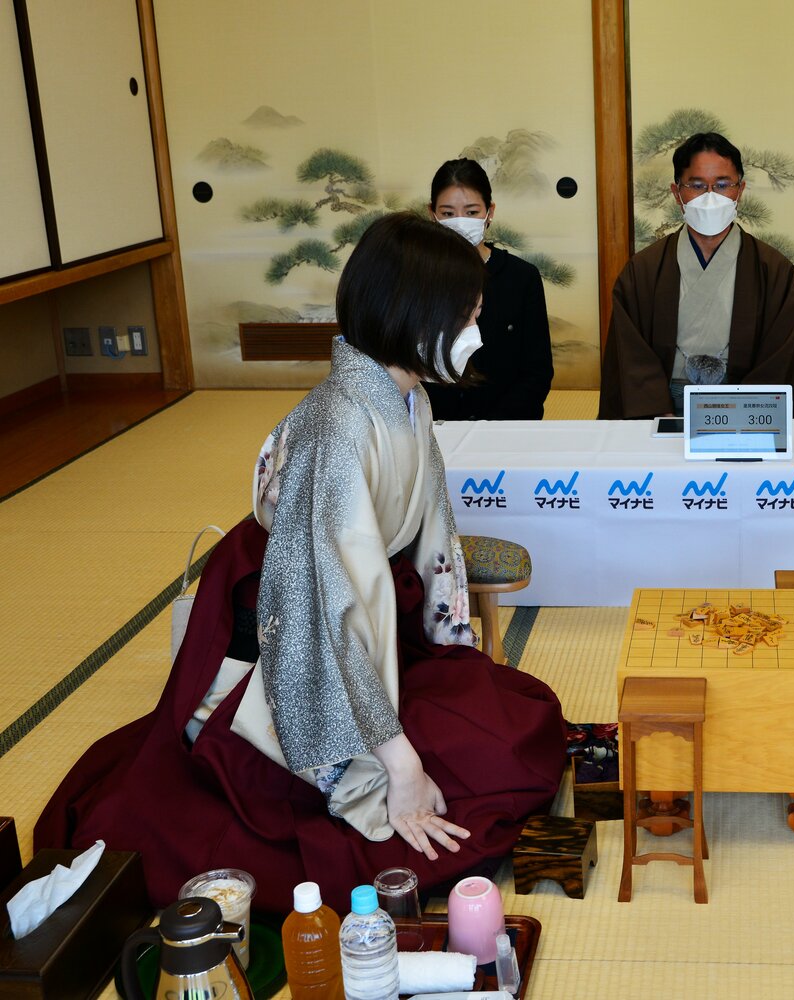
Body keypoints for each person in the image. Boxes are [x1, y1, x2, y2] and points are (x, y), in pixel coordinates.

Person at [36, 214, 568, 910]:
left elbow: (432, 531)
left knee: (519, 719)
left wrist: (451, 646)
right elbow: (326, 610)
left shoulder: (407, 398)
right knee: (452, 785)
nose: (477, 331)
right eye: (467, 315)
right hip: (297, 649)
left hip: (372, 631)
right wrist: (398, 763)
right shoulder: (336, 430)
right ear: (417, 316)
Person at [598, 132, 794, 419]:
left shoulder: (773, 270)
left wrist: (745, 416)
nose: (711, 197)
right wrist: (658, 413)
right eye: (697, 185)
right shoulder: (643, 270)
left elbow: (781, 355)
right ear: (677, 193)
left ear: (740, 190)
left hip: (745, 412)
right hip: (662, 407)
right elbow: (630, 354)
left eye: (722, 185)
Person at [423, 157, 553, 420]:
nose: (460, 222)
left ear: (489, 212)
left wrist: (494, 426)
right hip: (435, 426)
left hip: (507, 426)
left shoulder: (522, 277)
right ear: (432, 214)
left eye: (471, 212)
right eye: (448, 214)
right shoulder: (416, 277)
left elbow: (537, 371)